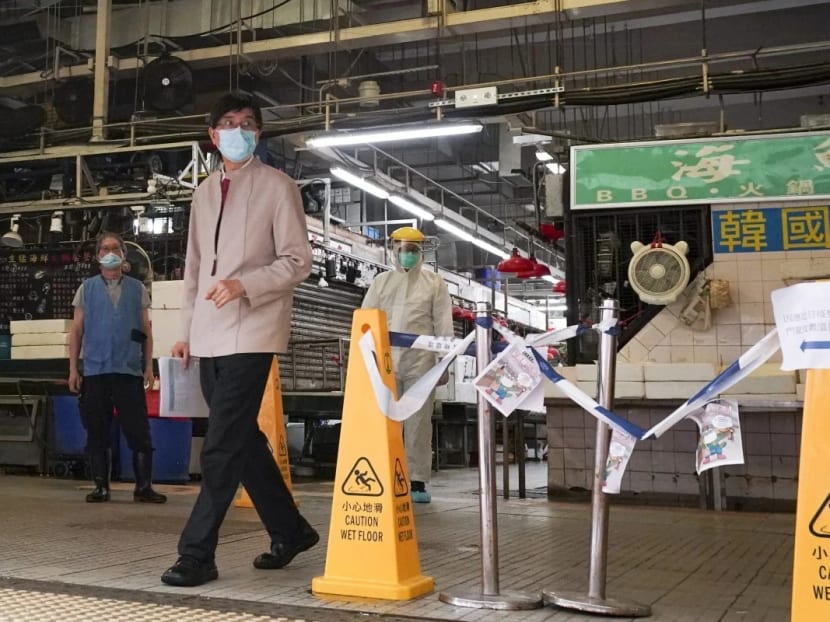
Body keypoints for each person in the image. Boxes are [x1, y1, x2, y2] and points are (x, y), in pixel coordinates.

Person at [160, 92, 316, 588]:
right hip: (208, 333)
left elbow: (297, 260)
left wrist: (245, 285)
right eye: (228, 123)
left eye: (248, 123)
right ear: (212, 135)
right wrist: (184, 332)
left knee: (222, 444)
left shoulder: (279, 187)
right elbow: (192, 269)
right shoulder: (203, 193)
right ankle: (290, 531)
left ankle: (197, 553)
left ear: (259, 134)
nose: (238, 130)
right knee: (241, 438)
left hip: (253, 328)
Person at [68, 231, 167, 505]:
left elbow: (146, 330)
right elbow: (76, 331)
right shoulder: (86, 289)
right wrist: (74, 370)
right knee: (97, 430)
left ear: (124, 255)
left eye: (115, 248)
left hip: (129, 370)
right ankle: (101, 487)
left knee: (138, 429)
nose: (110, 252)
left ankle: (143, 487)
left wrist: (149, 366)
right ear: (98, 256)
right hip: (95, 370)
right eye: (104, 248)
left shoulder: (137, 289)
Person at [361, 226, 453, 503]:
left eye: (413, 250)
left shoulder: (434, 283)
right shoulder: (381, 282)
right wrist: (367, 358)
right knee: (384, 420)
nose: (407, 255)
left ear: (420, 252)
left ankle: (416, 481)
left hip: (421, 364)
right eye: (403, 249)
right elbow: (366, 319)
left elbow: (443, 323)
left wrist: (444, 364)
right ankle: (384, 474)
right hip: (386, 361)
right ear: (394, 250)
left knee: (418, 423)